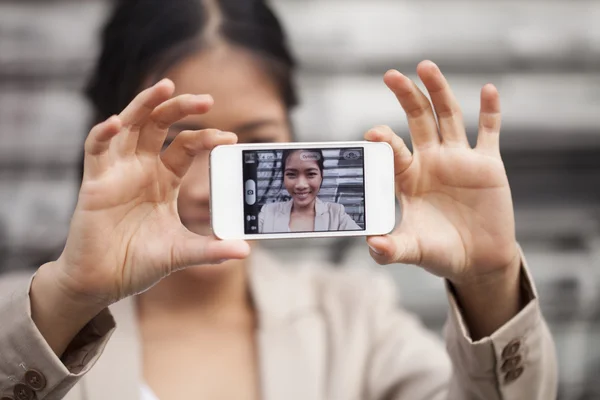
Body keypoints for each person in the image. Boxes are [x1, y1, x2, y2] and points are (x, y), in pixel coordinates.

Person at [0, 0, 557, 399]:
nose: (204, 190)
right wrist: (66, 305)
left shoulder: (354, 318)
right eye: (174, 144)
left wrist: (489, 282)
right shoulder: (29, 317)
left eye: (255, 145)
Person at [258, 149, 362, 233]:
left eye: (311, 174)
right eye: (291, 174)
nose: (301, 185)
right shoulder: (267, 212)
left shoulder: (336, 214)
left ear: (321, 176)